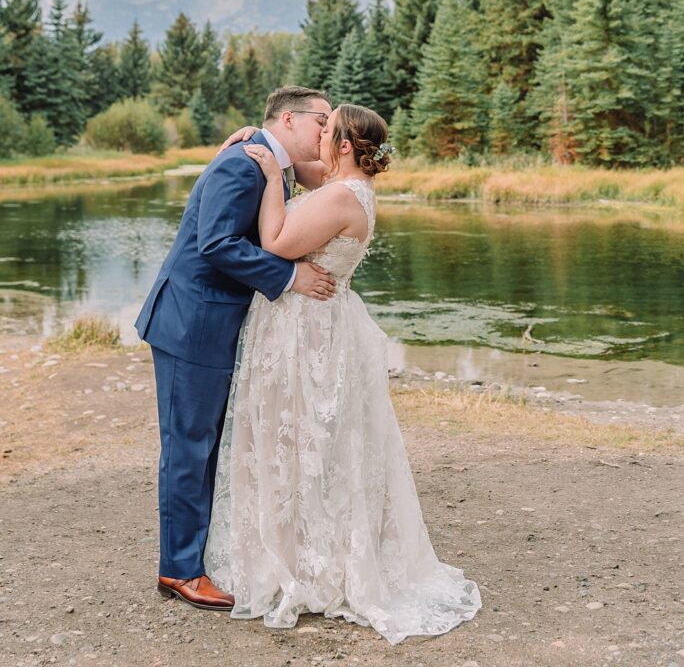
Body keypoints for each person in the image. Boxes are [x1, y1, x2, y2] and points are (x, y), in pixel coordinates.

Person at [204, 104, 481, 643]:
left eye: (327, 132)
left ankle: (306, 564)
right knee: (312, 442)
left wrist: (267, 179)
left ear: (347, 146)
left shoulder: (338, 195)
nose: (318, 138)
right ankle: (308, 550)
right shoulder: (348, 187)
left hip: (304, 331)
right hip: (318, 325)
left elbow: (276, 244)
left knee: (299, 439)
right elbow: (300, 167)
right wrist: (259, 142)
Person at [134, 85, 336, 611]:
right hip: (192, 324)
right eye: (322, 119)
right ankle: (178, 571)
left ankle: (195, 557)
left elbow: (338, 174)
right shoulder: (241, 165)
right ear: (289, 119)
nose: (327, 129)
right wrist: (289, 276)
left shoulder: (269, 161)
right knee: (188, 448)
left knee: (207, 447)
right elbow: (216, 243)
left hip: (214, 325)